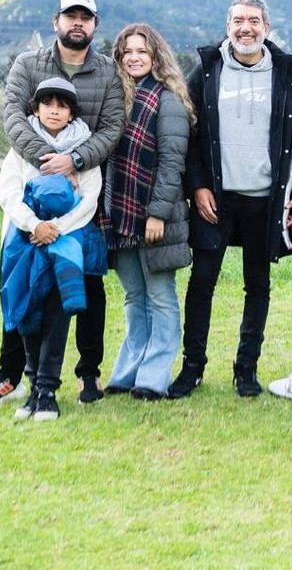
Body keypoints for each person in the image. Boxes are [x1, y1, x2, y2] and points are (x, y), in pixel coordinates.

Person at [0, 0, 123, 408]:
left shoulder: (107, 72)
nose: (78, 23)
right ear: (56, 20)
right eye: (70, 16)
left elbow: (111, 129)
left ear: (94, 26)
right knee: (20, 286)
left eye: (86, 17)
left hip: (81, 200)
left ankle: (87, 375)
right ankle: (10, 376)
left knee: (88, 289)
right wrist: (47, 161)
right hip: (30, 194)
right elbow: (12, 118)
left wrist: (74, 159)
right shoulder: (28, 64)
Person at [170, 0, 292, 398]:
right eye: (238, 20)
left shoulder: (287, 76)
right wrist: (196, 186)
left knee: (258, 285)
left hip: (265, 200)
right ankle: (192, 367)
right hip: (216, 198)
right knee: (202, 282)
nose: (245, 28)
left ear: (266, 28)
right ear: (227, 25)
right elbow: (192, 136)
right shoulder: (207, 71)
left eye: (254, 20)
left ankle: (246, 368)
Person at [0, 78, 106, 421]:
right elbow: (9, 191)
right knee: (29, 311)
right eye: (47, 104)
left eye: (61, 105)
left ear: (72, 111)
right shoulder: (20, 149)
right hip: (27, 240)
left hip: (65, 243)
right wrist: (35, 225)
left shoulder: (82, 150)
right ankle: (31, 386)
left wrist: (56, 229)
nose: (54, 111)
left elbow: (90, 196)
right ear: (36, 108)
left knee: (57, 313)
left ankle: (48, 390)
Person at [104, 24, 195, 400]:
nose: (134, 57)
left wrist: (156, 214)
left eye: (142, 51)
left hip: (156, 215)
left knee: (160, 295)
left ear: (156, 56)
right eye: (127, 51)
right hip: (121, 214)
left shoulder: (168, 100)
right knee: (133, 296)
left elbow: (172, 163)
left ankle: (155, 375)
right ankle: (129, 370)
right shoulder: (118, 99)